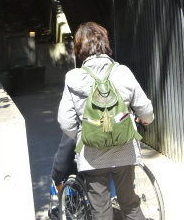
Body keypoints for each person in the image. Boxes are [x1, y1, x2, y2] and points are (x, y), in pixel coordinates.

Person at [58, 22, 154, 220]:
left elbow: (66, 122)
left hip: (92, 156)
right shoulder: (123, 72)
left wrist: (84, 135)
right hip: (124, 151)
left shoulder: (73, 78)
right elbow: (145, 110)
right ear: (105, 44)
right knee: (130, 205)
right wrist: (146, 121)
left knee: (100, 210)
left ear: (78, 49)